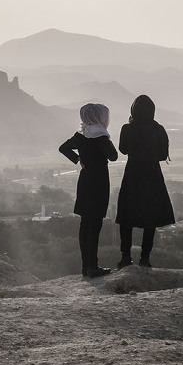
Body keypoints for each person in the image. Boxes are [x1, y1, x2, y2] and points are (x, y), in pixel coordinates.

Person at [115, 94, 175, 269]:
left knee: (127, 217)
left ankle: (125, 257)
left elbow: (123, 149)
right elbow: (163, 155)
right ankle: (145, 258)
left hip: (133, 173)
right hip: (152, 174)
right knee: (151, 217)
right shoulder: (159, 129)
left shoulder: (127, 128)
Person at [59, 103, 117, 278]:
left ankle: (86, 267)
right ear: (100, 117)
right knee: (95, 224)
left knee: (85, 225)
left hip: (85, 181)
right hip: (99, 181)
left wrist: (78, 159)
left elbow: (63, 148)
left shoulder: (81, 134)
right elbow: (113, 156)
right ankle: (93, 267)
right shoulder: (101, 136)